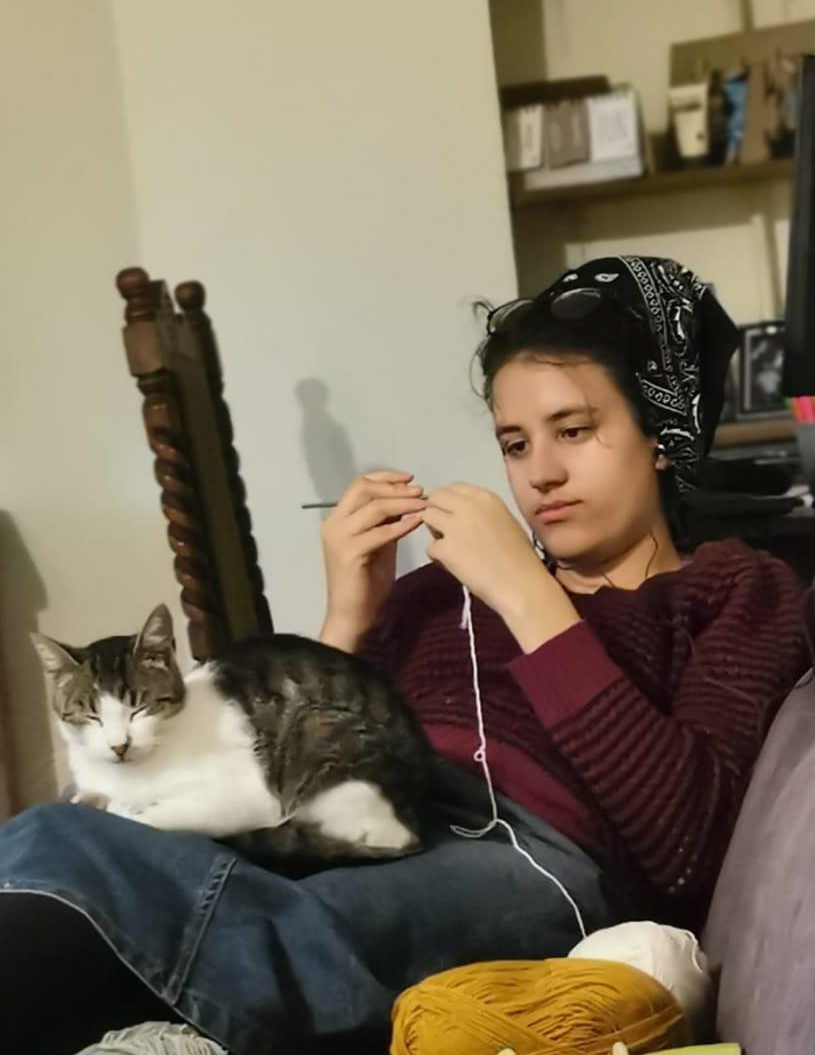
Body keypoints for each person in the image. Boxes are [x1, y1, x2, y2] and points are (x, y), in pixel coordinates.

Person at [0, 256, 806, 1055]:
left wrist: (530, 599)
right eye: (514, 442)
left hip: (536, 857)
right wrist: (346, 617)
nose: (540, 474)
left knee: (260, 913)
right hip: (368, 807)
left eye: (572, 430)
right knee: (59, 834)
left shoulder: (731, 587)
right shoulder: (432, 594)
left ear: (661, 432)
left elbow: (686, 845)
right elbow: (281, 765)